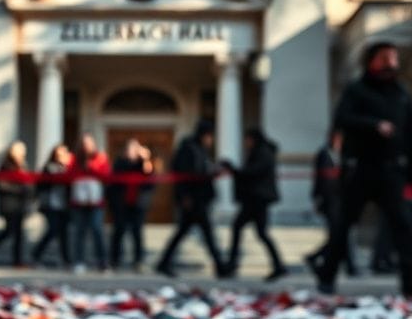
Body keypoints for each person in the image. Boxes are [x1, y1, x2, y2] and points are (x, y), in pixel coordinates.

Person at [311, 42, 412, 297]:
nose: (391, 63)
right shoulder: (356, 90)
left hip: (392, 172)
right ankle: (327, 275)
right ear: (372, 61)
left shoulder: (402, 94)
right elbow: (342, 119)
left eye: (394, 58)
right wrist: (374, 125)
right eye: (385, 58)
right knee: (343, 224)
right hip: (360, 169)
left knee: (403, 226)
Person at [155, 120, 226, 278]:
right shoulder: (189, 150)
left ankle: (164, 263)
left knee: (185, 233)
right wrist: (185, 197)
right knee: (205, 234)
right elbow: (187, 174)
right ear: (204, 135)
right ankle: (221, 267)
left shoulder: (199, 150)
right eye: (209, 136)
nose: (211, 140)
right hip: (194, 199)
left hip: (199, 198)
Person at [222, 128, 286, 281]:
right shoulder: (261, 152)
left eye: (248, 139)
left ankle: (233, 264)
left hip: (257, 199)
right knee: (258, 232)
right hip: (255, 199)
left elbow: (252, 173)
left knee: (245, 229)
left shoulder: (262, 153)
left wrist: (233, 170)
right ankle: (277, 266)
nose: (246, 143)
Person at [306, 129, 359, 276]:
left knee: (341, 233)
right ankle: (350, 266)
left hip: (342, 199)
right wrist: (317, 198)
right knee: (339, 233)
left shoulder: (344, 155)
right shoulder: (324, 154)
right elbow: (319, 179)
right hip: (329, 200)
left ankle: (316, 257)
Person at [0, 141, 32, 268]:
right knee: (9, 231)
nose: (22, 154)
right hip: (9, 205)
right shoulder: (6, 166)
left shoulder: (23, 166)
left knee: (18, 234)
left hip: (20, 205)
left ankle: (17, 261)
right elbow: (0, 185)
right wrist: (20, 190)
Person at [108, 139, 154, 272]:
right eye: (130, 149)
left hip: (137, 204)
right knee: (119, 231)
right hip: (121, 204)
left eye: (135, 149)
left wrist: (145, 158)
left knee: (137, 233)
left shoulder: (142, 164)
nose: (132, 152)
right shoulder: (119, 163)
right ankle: (114, 261)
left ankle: (138, 261)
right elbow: (112, 185)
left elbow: (149, 176)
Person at [68, 134, 111, 273]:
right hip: (79, 201)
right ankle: (79, 261)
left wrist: (91, 167)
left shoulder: (100, 158)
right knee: (79, 232)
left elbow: (106, 175)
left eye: (89, 143)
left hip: (96, 202)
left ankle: (102, 261)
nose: (86, 146)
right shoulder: (74, 159)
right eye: (84, 143)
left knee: (97, 230)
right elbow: (70, 175)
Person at [31, 144, 73, 268]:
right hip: (50, 205)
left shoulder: (69, 169)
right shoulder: (48, 168)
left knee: (64, 233)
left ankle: (66, 260)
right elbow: (40, 185)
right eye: (59, 154)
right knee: (53, 229)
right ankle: (36, 254)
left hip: (64, 206)